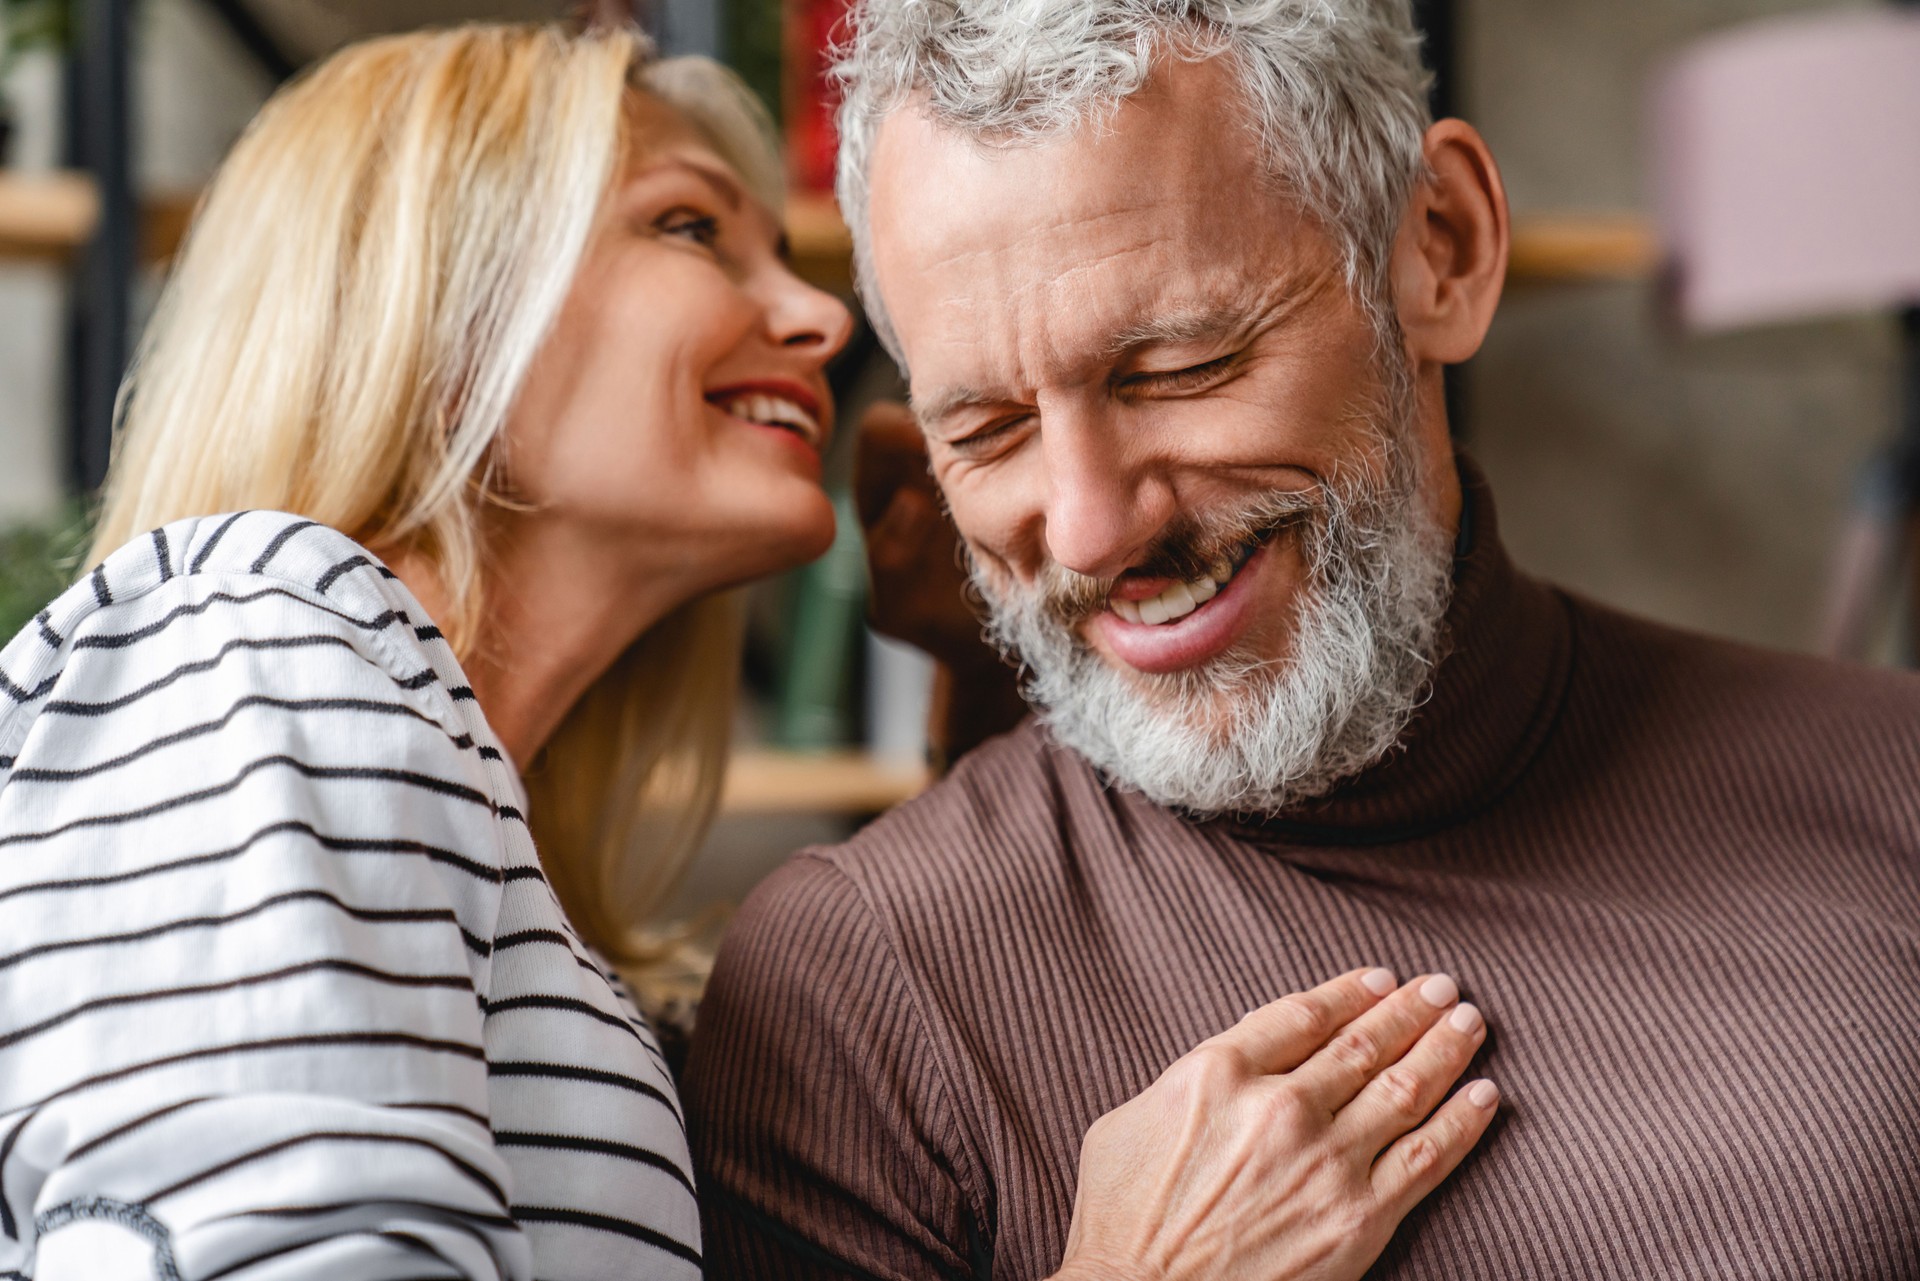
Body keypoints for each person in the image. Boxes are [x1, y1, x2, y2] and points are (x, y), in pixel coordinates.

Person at [0, 20, 1497, 1281]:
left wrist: (1023, 656)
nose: (817, 320)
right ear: (444, 319)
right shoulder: (252, 643)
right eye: (688, 226)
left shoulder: (483, 854)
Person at [682, 1, 1920, 1277]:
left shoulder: (1895, 778)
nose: (1093, 531)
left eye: (1177, 366)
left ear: (1438, 249)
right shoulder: (852, 996)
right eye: (988, 430)